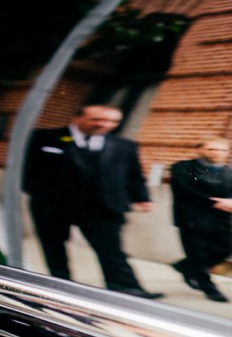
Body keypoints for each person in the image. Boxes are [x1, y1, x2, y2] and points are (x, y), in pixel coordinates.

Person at [24, 104, 164, 299]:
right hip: (52, 206)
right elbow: (25, 169)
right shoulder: (43, 138)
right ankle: (61, 287)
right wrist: (36, 190)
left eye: (112, 121)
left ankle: (125, 289)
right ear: (77, 118)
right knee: (54, 247)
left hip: (103, 207)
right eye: (97, 119)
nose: (104, 125)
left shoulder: (125, 145)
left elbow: (134, 174)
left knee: (112, 250)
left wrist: (142, 198)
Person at [170, 137, 232, 303]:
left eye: (222, 150)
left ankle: (185, 267)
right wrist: (214, 202)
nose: (217, 153)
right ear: (200, 150)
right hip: (193, 217)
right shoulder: (183, 167)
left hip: (221, 219)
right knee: (197, 254)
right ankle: (209, 288)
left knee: (226, 249)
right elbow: (183, 190)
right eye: (212, 149)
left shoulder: (228, 172)